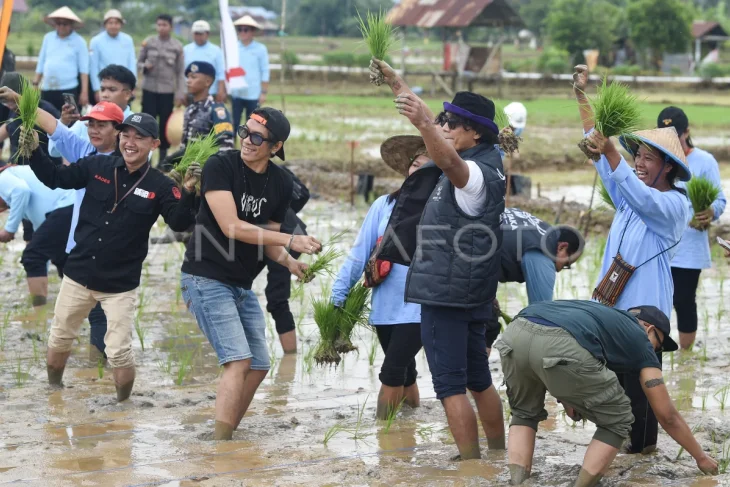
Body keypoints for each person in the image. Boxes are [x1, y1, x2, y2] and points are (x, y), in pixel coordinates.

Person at [371, 58, 506, 460]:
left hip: (448, 295)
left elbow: (447, 159)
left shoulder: (475, 175)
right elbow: (443, 145)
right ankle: (496, 455)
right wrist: (397, 83)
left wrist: (425, 126)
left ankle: (470, 466)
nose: (445, 127)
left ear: (474, 132)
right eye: (443, 120)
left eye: (452, 123)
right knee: (479, 379)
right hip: (472, 292)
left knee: (449, 385)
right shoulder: (492, 163)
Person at [24, 112, 199, 401]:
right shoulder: (97, 165)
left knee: (119, 352)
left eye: (139, 137)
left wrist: (189, 191)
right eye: (126, 135)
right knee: (59, 338)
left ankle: (122, 407)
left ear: (154, 143)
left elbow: (179, 223)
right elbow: (56, 178)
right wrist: (34, 151)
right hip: (78, 274)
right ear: (119, 137)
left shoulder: (161, 186)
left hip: (120, 284)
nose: (130, 142)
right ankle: (53, 390)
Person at [180, 107, 322, 440]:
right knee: (238, 361)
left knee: (258, 363)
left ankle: (223, 432)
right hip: (205, 276)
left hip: (241, 284)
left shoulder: (281, 182)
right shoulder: (221, 166)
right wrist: (291, 238)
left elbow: (266, 239)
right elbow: (232, 227)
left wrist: (290, 262)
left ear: (275, 146)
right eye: (246, 132)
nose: (247, 141)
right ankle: (221, 445)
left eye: (257, 137)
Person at [573, 64, 691, 455]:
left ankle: (643, 462)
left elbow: (641, 196)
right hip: (612, 307)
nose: (638, 163)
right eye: (636, 156)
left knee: (643, 397)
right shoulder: (626, 200)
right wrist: (583, 100)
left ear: (668, 166)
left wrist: (609, 148)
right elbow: (601, 157)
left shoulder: (673, 205)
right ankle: (622, 453)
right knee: (616, 390)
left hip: (645, 317)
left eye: (647, 159)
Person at [494, 300, 718, 486]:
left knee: (524, 413)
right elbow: (666, 415)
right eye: (658, 345)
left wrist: (565, 398)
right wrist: (701, 457)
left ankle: (517, 482)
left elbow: (557, 341)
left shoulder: (604, 318)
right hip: (559, 342)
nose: (655, 352)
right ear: (649, 328)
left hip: (517, 331)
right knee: (618, 417)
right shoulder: (640, 338)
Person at [332, 135, 429, 419]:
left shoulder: (443, 210)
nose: (420, 172)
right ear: (407, 170)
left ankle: (384, 439)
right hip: (385, 306)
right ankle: (410, 423)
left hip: (421, 306)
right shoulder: (384, 206)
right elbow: (359, 253)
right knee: (405, 371)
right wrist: (339, 295)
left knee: (391, 371)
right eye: (416, 165)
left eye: (430, 167)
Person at [658, 106, 726, 350]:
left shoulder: (704, 161)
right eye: (665, 136)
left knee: (684, 300)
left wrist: (710, 213)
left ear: (686, 132)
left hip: (690, 247)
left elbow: (719, 200)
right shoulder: (657, 159)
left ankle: (685, 356)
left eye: (676, 135)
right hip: (660, 245)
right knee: (657, 302)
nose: (672, 141)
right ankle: (655, 353)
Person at [486, 208, 584, 353]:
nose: (559, 270)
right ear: (562, 246)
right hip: (464, 261)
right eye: (566, 264)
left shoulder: (541, 228)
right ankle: (470, 375)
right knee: (486, 326)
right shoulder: (542, 255)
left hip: (458, 238)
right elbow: (541, 315)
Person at [49, 64, 136, 160]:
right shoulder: (88, 119)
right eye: (102, 89)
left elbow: (138, 160)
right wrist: (63, 123)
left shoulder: (136, 124)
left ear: (127, 94)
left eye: (112, 90)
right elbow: (54, 151)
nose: (105, 95)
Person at [159, 61, 234, 172]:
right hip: (189, 170)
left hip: (208, 170)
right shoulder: (190, 109)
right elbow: (185, 145)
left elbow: (226, 146)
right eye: (188, 77)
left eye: (193, 77)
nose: (188, 81)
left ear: (207, 82)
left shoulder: (217, 110)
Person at [139, 14, 186, 162]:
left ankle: (163, 160)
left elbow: (180, 73)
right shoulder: (149, 43)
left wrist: (180, 93)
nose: (161, 28)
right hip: (149, 90)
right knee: (147, 124)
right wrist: (144, 66)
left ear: (171, 27)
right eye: (159, 25)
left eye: (164, 25)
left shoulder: (177, 47)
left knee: (165, 124)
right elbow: (139, 63)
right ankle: (146, 158)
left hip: (167, 91)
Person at [34, 7, 89, 111]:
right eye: (59, 23)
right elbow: (41, 62)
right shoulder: (48, 38)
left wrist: (84, 92)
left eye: (65, 24)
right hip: (47, 87)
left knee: (71, 119)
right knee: (47, 120)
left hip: (69, 88)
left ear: (71, 25)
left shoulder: (79, 41)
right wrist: (35, 83)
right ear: (55, 24)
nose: (61, 26)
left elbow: (84, 69)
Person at [0, 72, 62, 166]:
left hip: (41, 169)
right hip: (14, 167)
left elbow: (63, 139)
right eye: (5, 103)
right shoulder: (13, 111)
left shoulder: (45, 111)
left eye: (11, 102)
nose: (9, 106)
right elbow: (6, 129)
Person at [89, 10, 137, 104]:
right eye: (110, 23)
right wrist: (96, 89)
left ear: (121, 25)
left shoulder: (128, 40)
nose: (113, 26)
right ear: (105, 25)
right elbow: (93, 67)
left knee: (124, 114)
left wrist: (133, 86)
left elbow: (132, 63)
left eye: (116, 23)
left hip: (123, 84)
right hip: (105, 86)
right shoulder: (96, 41)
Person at [231, 16, 269, 131]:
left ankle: (249, 147)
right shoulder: (233, 47)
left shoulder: (261, 49)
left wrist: (263, 92)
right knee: (234, 123)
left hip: (253, 94)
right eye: (240, 29)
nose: (242, 32)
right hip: (236, 93)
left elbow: (265, 71)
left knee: (252, 124)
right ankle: (232, 147)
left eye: (245, 29)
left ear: (252, 31)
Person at [184, 20, 227, 103]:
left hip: (211, 92)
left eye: (201, 34)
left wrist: (221, 90)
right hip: (192, 92)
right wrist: (183, 91)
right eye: (196, 34)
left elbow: (221, 73)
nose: (198, 36)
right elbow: (183, 73)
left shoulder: (216, 51)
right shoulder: (186, 50)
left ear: (207, 34)